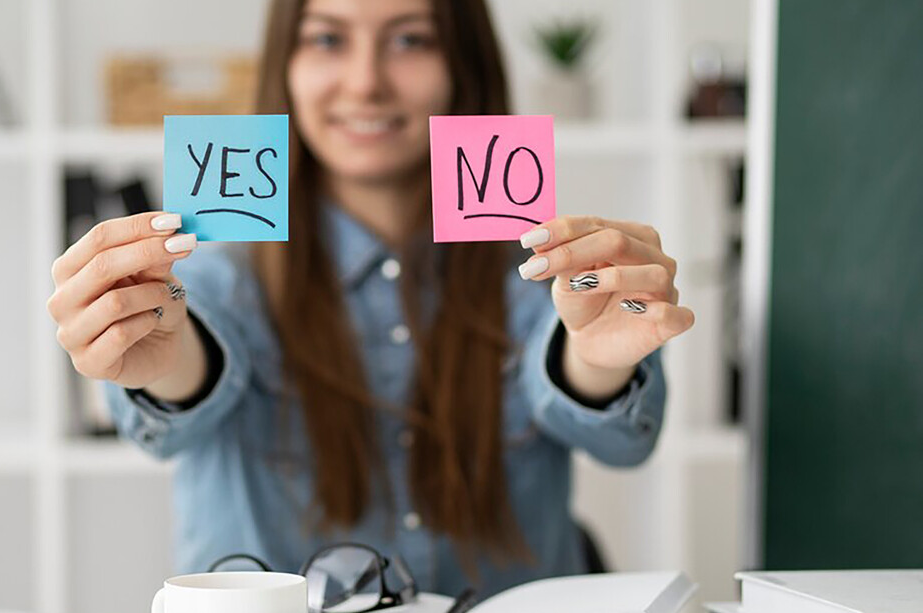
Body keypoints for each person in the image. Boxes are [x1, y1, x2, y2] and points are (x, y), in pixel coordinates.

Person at [46, 0, 694, 599]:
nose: (365, 82)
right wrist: (151, 346)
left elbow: (615, 429)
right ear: (286, 66)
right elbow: (192, 356)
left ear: (462, 62)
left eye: (410, 39)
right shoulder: (218, 274)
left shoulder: (537, 265)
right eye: (328, 38)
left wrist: (600, 353)